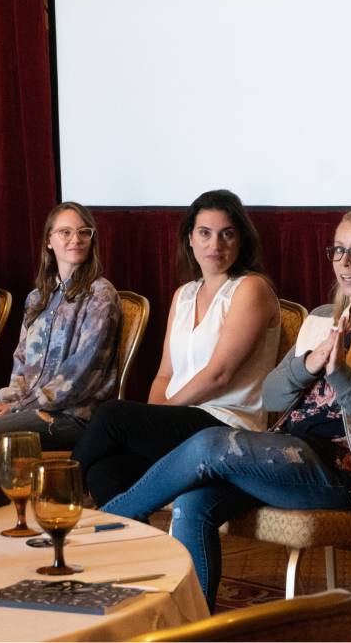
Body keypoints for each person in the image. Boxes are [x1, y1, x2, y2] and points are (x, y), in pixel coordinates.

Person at [97, 209, 351, 611]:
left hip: (348, 474)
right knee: (194, 503)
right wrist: (309, 364)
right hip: (287, 453)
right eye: (338, 250)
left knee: (211, 442)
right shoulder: (322, 319)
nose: (344, 262)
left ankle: (104, 526)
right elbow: (273, 398)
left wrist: (343, 376)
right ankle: (190, 627)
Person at [72, 189, 281, 507]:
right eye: (205, 233)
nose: (215, 245)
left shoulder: (251, 288)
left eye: (227, 234)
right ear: (189, 239)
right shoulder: (184, 294)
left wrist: (153, 419)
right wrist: (151, 422)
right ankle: (135, 555)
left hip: (228, 426)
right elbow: (164, 375)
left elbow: (218, 376)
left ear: (242, 241)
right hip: (182, 424)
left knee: (113, 415)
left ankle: (48, 504)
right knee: (106, 472)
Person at [0, 201, 121, 490]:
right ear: (49, 241)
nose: (76, 239)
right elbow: (21, 362)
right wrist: (10, 401)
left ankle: (6, 521)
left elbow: (82, 373)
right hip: (27, 406)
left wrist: (22, 406)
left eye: (84, 232)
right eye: (66, 232)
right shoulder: (37, 297)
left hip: (74, 416)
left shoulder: (100, 294)